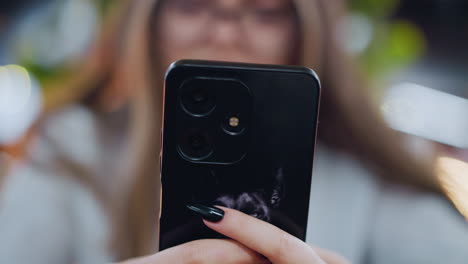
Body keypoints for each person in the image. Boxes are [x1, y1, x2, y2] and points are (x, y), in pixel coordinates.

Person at [1, 0, 467, 263]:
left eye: (264, 11)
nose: (225, 33)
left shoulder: (373, 168)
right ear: (150, 23)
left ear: (305, 29)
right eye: (192, 5)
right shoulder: (76, 147)